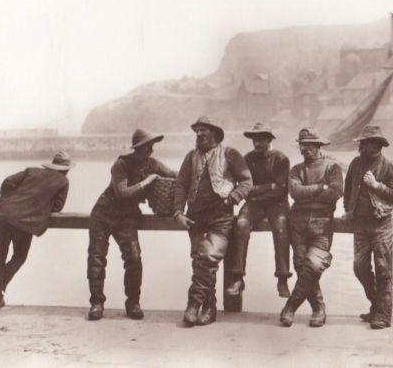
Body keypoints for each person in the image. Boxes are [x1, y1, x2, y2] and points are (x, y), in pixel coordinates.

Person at [86, 129, 176, 321]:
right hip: (103, 214)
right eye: (146, 147)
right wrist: (148, 181)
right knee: (96, 258)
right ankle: (96, 303)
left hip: (127, 217)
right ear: (137, 148)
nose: (150, 150)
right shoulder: (121, 164)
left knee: (134, 259)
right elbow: (122, 193)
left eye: (151, 146)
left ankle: (133, 303)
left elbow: (174, 174)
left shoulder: (153, 164)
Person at [173, 117, 252, 327]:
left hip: (220, 216)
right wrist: (178, 213)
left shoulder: (230, 154)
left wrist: (232, 198)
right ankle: (210, 307)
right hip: (195, 216)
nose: (199, 134)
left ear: (215, 133)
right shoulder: (191, 157)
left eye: (203, 130)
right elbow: (181, 185)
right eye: (197, 131)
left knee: (208, 256)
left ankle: (193, 304)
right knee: (200, 261)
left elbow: (246, 181)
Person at [0, 151, 74, 311]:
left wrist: (10, 200)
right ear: (66, 170)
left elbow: (7, 182)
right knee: (19, 256)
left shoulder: (31, 171)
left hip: (3, 214)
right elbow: (57, 207)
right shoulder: (63, 182)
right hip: (26, 221)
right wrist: (37, 206)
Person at [279, 128, 343, 328]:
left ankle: (290, 307)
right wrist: (319, 188)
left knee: (314, 265)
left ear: (318, 146)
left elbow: (336, 192)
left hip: (322, 224)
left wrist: (316, 193)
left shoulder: (332, 168)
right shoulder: (296, 169)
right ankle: (319, 308)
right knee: (301, 265)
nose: (305, 149)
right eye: (303, 145)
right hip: (297, 223)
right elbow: (295, 192)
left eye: (310, 145)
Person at [343, 124, 393, 329]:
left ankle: (383, 316)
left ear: (378, 145)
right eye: (362, 143)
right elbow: (348, 189)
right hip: (360, 224)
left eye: (367, 143)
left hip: (381, 224)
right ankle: (377, 305)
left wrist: (376, 185)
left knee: (384, 269)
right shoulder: (355, 164)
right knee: (359, 267)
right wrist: (348, 210)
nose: (363, 146)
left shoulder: (389, 166)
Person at [225, 122, 292, 298]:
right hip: (255, 203)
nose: (256, 143)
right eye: (254, 140)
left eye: (261, 140)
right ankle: (238, 277)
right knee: (240, 225)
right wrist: (266, 188)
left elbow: (280, 190)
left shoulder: (281, 159)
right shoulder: (247, 159)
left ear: (269, 139)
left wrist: (257, 191)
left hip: (277, 204)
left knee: (281, 228)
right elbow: (245, 186)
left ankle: (283, 278)